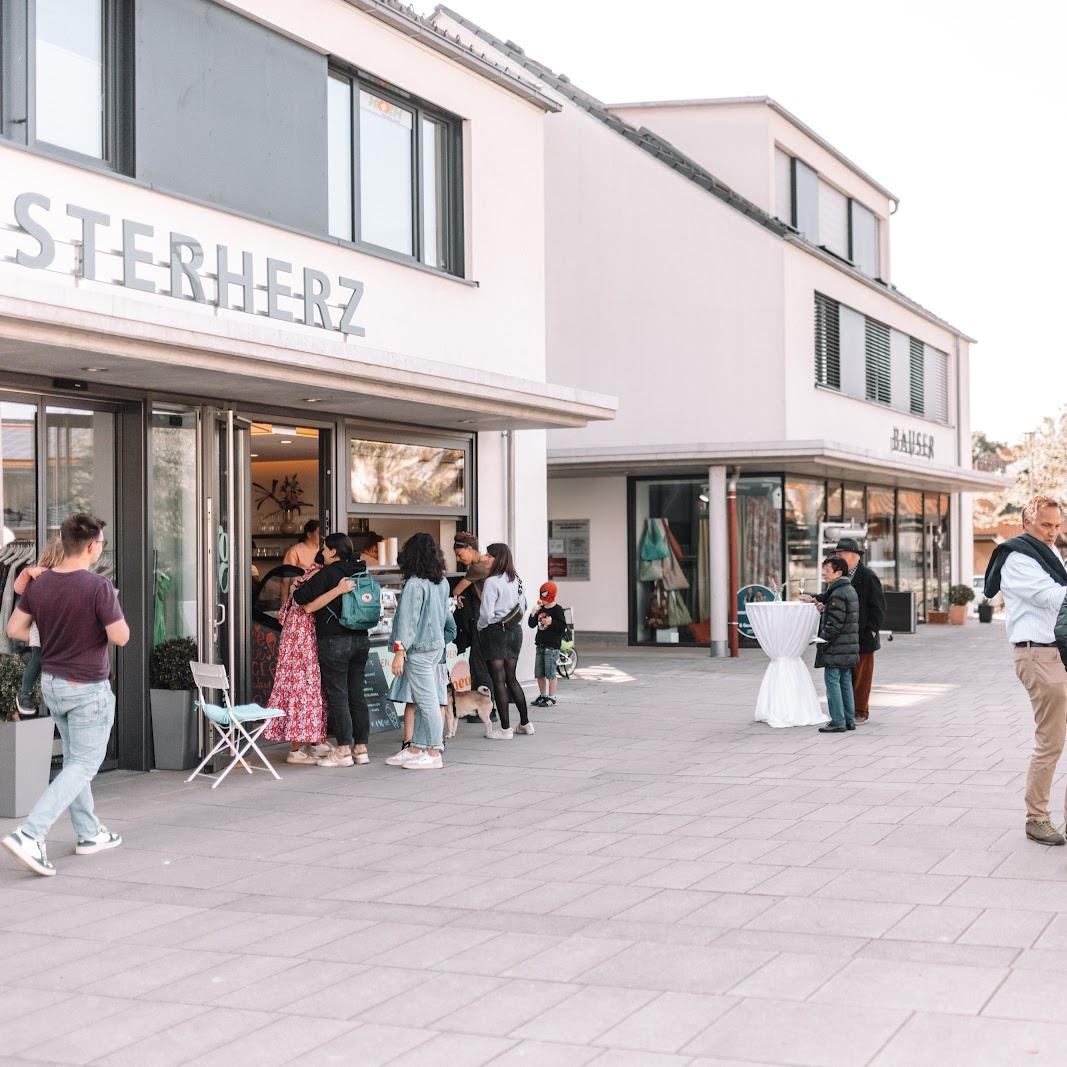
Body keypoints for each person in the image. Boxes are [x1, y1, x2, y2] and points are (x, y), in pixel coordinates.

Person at [1, 514, 129, 877]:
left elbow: (14, 628)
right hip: (86, 687)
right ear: (91, 547)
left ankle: (89, 833)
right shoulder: (97, 587)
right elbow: (121, 637)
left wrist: (57, 637)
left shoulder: (41, 586)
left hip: (53, 683)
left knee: (75, 759)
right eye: (101, 543)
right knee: (84, 764)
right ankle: (30, 833)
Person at [985, 495, 1067, 845]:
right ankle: (1036, 818)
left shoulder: (1050, 555)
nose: (1052, 533)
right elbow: (1053, 597)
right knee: (1050, 742)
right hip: (1039, 656)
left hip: (1058, 652)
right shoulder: (1018, 557)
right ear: (1027, 523)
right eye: (1046, 525)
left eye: (1057, 526)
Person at [293, 533, 370, 768]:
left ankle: (344, 750)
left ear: (334, 552)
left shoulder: (330, 573)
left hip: (335, 641)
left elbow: (300, 597)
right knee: (357, 694)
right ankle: (361, 748)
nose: (322, 554)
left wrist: (304, 584)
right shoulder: (361, 570)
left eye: (325, 550)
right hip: (361, 639)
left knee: (339, 696)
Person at [384, 534, 456, 770]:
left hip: (419, 650)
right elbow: (445, 618)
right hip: (435, 648)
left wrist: (399, 651)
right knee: (429, 699)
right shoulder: (442, 582)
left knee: (427, 702)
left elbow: (408, 620)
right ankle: (416, 748)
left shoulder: (415, 584)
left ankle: (434, 752)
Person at [263, 558, 331, 765]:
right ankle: (296, 748)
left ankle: (311, 741)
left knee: (306, 689)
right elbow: (309, 607)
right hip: (301, 642)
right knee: (301, 689)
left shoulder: (308, 575)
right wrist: (338, 590)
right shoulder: (317, 576)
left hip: (299, 640)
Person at [477, 542, 530, 739]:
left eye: (489, 556)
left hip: (496, 632)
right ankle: (525, 723)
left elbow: (486, 614)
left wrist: (481, 627)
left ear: (498, 558)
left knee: (498, 680)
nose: (486, 559)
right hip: (515, 631)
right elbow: (524, 604)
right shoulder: (516, 579)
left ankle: (505, 729)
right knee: (511, 677)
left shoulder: (492, 582)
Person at [834, 536, 886, 724]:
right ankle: (848, 709)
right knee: (847, 674)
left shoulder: (867, 576)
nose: (838, 557)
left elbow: (878, 606)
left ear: (853, 555)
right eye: (837, 554)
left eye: (841, 554)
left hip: (863, 633)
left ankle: (860, 711)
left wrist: (872, 629)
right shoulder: (840, 575)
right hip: (846, 634)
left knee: (862, 675)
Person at [12, 538, 65, 717]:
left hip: (57, 628)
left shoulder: (69, 576)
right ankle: (25, 692)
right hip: (41, 626)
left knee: (44, 659)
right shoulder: (39, 574)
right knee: (38, 657)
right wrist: (28, 572)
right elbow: (18, 588)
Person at [814, 556, 860, 734]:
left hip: (837, 647)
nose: (824, 573)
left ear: (838, 572)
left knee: (833, 682)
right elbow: (842, 615)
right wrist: (825, 609)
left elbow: (835, 624)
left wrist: (822, 640)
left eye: (827, 570)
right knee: (846, 682)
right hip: (847, 647)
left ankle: (837, 721)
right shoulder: (848, 589)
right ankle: (849, 720)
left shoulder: (838, 592)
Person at [529, 580, 566, 710]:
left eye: (544, 598)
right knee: (539, 673)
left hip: (552, 646)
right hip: (540, 645)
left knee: (550, 673)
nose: (542, 601)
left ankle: (552, 697)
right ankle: (543, 695)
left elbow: (562, 627)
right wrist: (534, 612)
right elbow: (531, 624)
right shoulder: (541, 609)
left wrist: (551, 622)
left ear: (551, 597)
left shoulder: (557, 610)